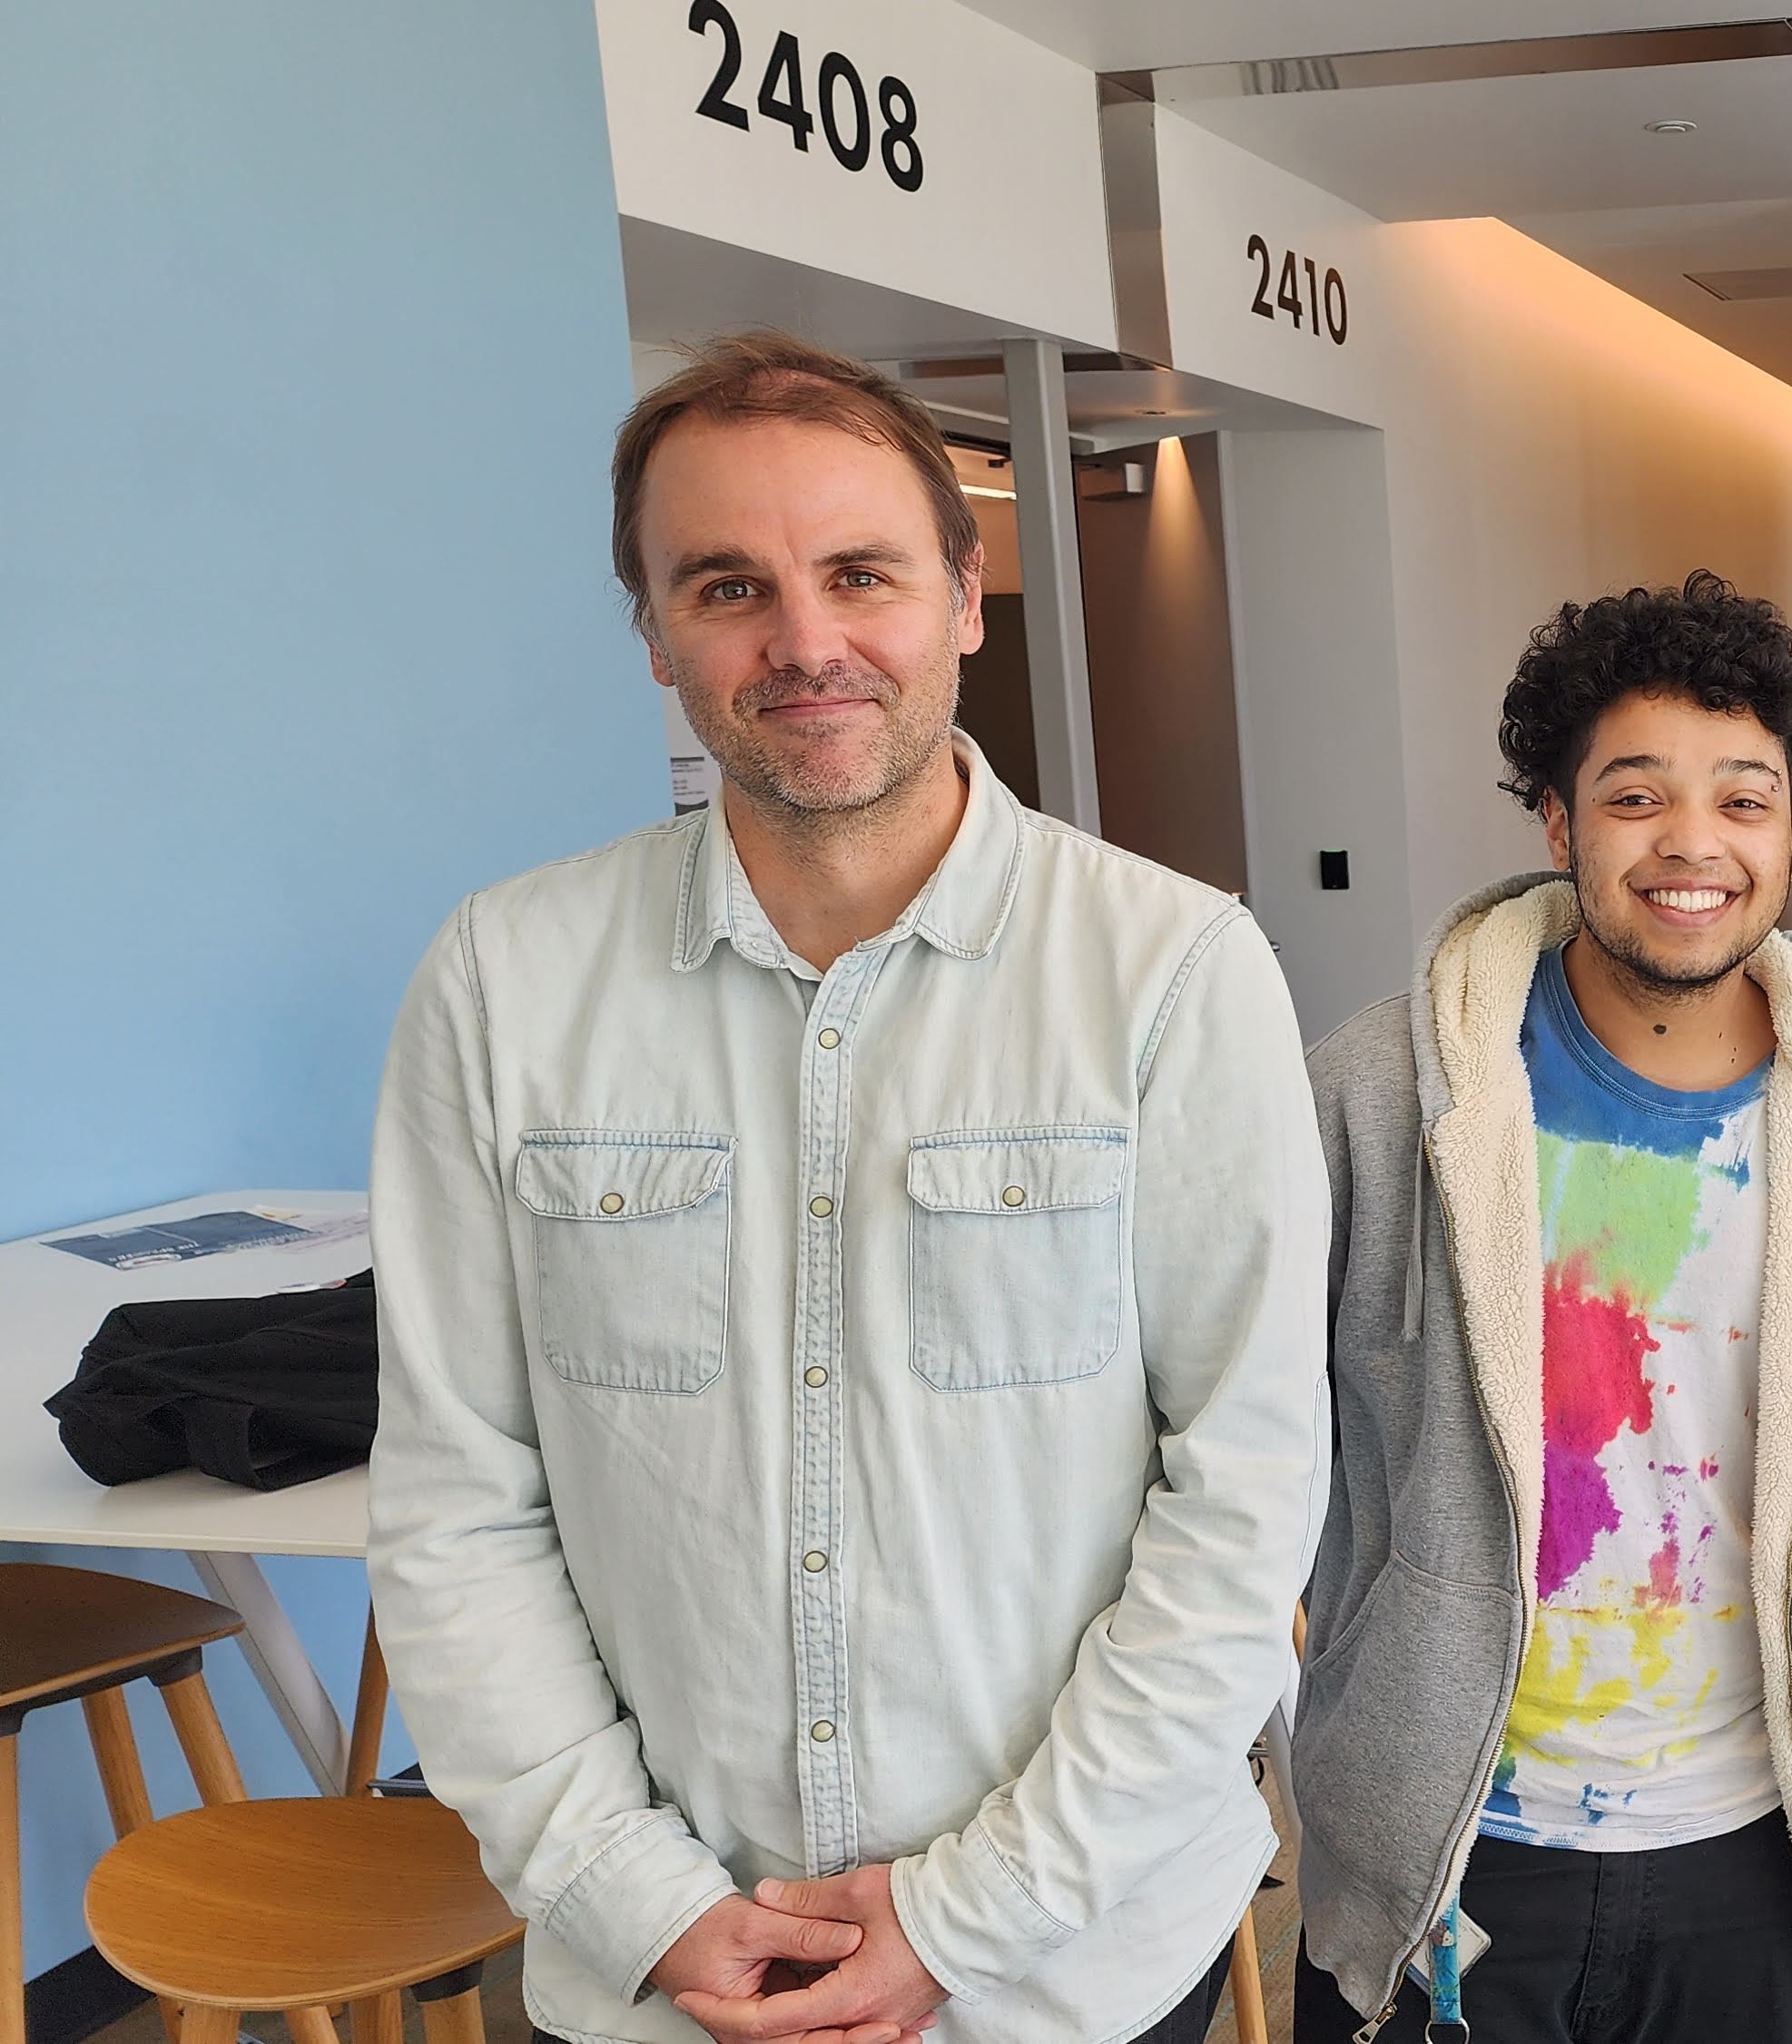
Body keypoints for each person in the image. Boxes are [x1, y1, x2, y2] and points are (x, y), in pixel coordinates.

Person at [367, 330, 1329, 2044]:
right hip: (672, 1973)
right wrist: (637, 1896)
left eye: (860, 573)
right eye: (728, 585)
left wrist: (974, 1911)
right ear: (654, 634)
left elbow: (1243, 1506)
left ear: (965, 598)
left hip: (1066, 1966)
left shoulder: (1174, 972)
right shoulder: (501, 984)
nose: (804, 642)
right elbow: (458, 1500)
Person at [1290, 572, 1792, 2043]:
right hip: (1450, 1841)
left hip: (1753, 1844)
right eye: (1636, 795)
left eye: (1743, 799)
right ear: (1558, 822)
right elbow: (1283, 1417)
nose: (1692, 844)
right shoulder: (1378, 1095)